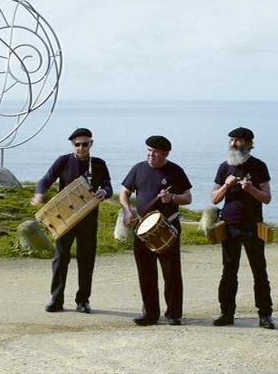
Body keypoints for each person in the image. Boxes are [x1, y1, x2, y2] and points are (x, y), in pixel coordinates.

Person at [33, 128, 112, 314]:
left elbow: (108, 185)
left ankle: (83, 300)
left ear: (91, 144)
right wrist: (39, 193)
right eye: (77, 144)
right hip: (65, 218)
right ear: (73, 145)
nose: (81, 148)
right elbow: (46, 179)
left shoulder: (99, 164)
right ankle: (56, 299)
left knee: (86, 259)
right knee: (61, 258)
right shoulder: (64, 161)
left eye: (85, 144)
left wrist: (105, 192)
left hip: (89, 218)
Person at [120, 135, 192, 326]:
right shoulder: (138, 169)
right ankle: (150, 314)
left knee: (171, 272)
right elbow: (124, 192)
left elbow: (188, 197)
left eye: (155, 152)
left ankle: (174, 314)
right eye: (148, 150)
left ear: (165, 153)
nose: (150, 155)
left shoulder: (175, 171)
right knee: (146, 271)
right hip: (142, 228)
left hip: (167, 226)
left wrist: (173, 198)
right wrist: (127, 211)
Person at [210, 127, 275, 329]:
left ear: (248, 143)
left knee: (259, 271)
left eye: (237, 140)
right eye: (231, 140)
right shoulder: (224, 167)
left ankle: (265, 315)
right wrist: (226, 186)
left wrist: (251, 189)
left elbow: (267, 198)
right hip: (229, 226)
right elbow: (215, 198)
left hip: (253, 226)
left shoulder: (259, 166)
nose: (233, 144)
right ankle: (226, 313)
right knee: (229, 271)